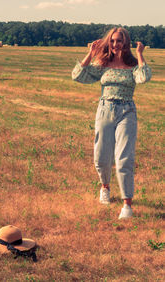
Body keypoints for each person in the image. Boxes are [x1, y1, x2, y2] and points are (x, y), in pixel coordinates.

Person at [72, 27, 152, 219]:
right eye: (113, 41)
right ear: (109, 42)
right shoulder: (103, 64)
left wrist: (140, 55)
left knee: (124, 157)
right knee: (101, 155)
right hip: (105, 110)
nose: (116, 44)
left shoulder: (133, 64)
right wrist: (90, 54)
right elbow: (78, 75)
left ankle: (127, 205)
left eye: (120, 41)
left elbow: (143, 77)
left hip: (127, 112)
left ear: (126, 43)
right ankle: (105, 187)